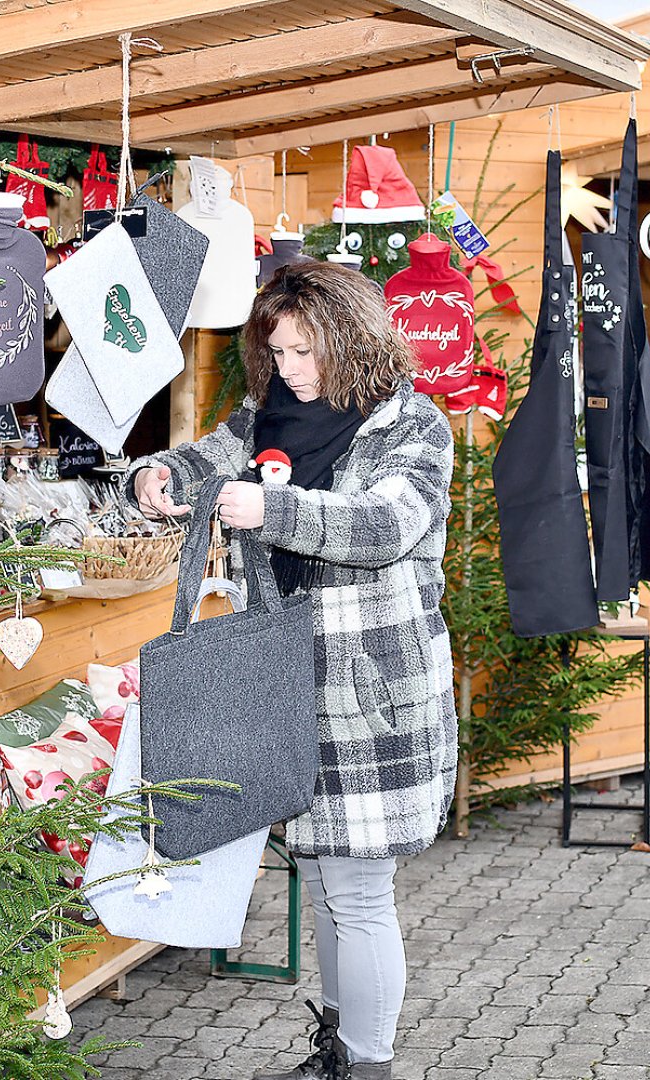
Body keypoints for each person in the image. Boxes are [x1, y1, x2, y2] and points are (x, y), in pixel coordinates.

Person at [130, 261, 456, 1080]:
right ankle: (343, 1053)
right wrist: (157, 477)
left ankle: (366, 1066)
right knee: (326, 882)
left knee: (357, 894)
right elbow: (207, 458)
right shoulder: (267, 415)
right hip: (285, 686)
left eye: (307, 350)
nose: (291, 369)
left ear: (353, 341)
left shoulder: (413, 426)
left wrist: (272, 509)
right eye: (277, 351)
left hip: (369, 694)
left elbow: (384, 524)